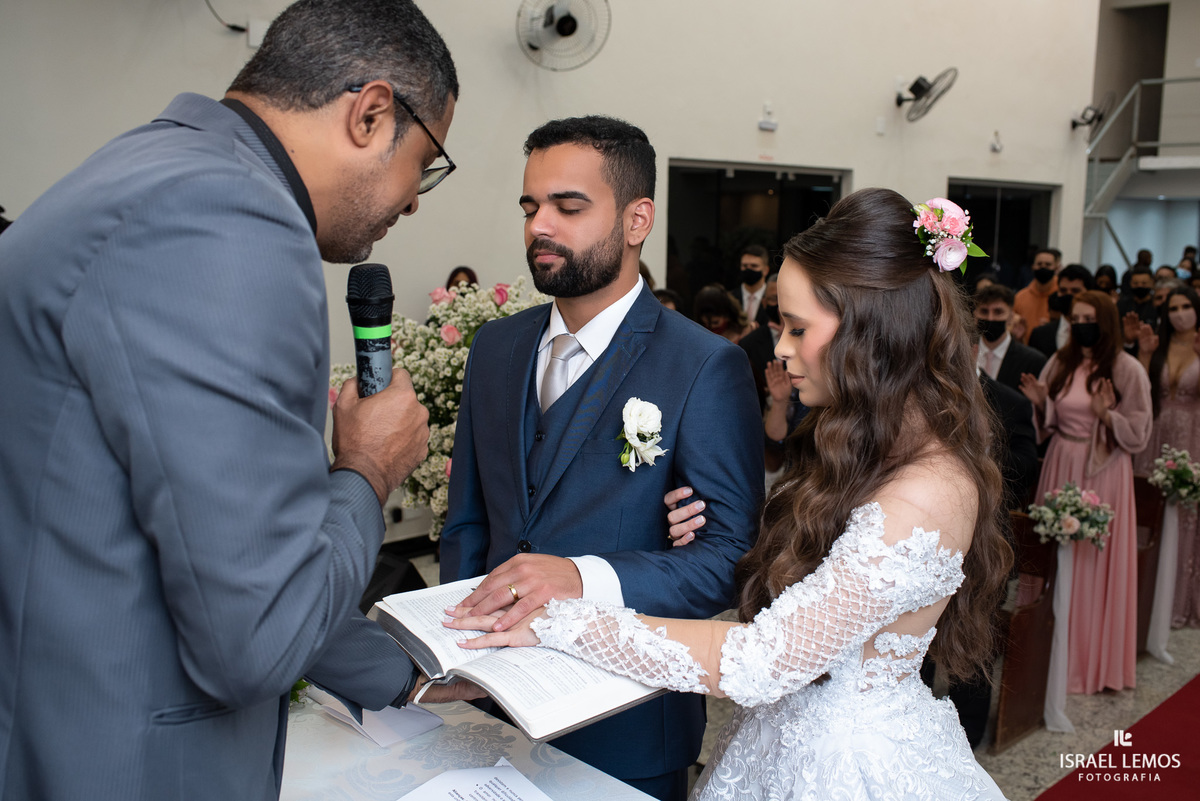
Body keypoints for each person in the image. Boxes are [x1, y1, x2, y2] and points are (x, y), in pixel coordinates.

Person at [0, 3, 472, 799]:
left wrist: (409, 674)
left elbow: (217, 546)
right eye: (424, 164)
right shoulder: (230, 219)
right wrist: (367, 468)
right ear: (370, 114)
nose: (415, 200)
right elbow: (257, 636)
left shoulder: (155, 170)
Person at [452, 188, 1013, 800]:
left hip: (847, 769)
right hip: (785, 742)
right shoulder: (865, 448)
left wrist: (560, 621)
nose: (781, 347)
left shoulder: (928, 492)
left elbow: (761, 661)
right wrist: (691, 534)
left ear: (874, 332)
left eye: (798, 328)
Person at [438, 115, 763, 801]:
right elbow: (469, 520)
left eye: (568, 206)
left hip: (626, 725)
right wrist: (457, 647)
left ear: (637, 219)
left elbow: (727, 559)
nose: (539, 226)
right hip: (487, 707)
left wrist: (581, 577)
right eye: (530, 206)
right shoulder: (496, 347)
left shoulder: (704, 365)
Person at [1018, 290, 1151, 731]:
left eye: (1089, 318)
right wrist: (1042, 403)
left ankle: (1087, 663)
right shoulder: (1061, 362)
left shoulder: (1127, 369)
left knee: (1093, 564)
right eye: (1076, 319)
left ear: (1105, 322)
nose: (1081, 325)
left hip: (1104, 473)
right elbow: (1051, 421)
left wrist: (1107, 415)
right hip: (1060, 461)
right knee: (1052, 560)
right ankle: (1044, 653)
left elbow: (1141, 432)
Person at [1132, 286, 1200, 627]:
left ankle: (1176, 600)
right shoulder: (1157, 345)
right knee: (1150, 509)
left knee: (1186, 514)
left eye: (1186, 306)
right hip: (1155, 435)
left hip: (1192, 437)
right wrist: (1144, 355)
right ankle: (1144, 597)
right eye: (1173, 308)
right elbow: (1141, 393)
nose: (1180, 313)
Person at [973, 283, 1047, 392]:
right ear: (975, 316)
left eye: (998, 312)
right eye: (984, 311)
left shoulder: (1033, 361)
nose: (990, 318)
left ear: (1011, 317)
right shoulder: (962, 354)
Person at [1028, 263, 1094, 358]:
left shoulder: (1097, 333)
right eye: (1063, 291)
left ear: (1089, 293)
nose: (1068, 295)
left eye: (1075, 291)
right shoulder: (1039, 334)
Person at [738, 273, 783, 411]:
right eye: (774, 299)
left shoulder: (808, 338)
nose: (779, 306)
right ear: (764, 303)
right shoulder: (748, 343)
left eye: (784, 298)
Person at [1013, 248, 1060, 342]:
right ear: (1033, 267)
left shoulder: (1061, 295)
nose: (1043, 267)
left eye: (1048, 264)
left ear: (1056, 268)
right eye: (1039, 264)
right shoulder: (1020, 297)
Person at [736, 244, 772, 325]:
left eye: (754, 266)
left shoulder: (775, 300)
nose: (748, 269)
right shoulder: (729, 299)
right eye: (745, 266)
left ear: (766, 270)